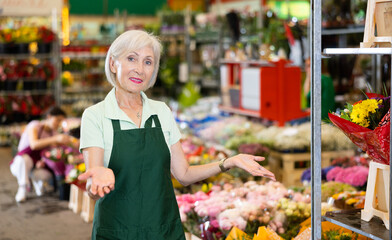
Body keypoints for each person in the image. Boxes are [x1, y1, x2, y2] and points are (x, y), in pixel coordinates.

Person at [78, 30, 275, 240]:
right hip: (117, 232)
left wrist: (229, 162)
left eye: (148, 62)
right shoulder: (95, 116)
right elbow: (92, 184)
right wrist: (97, 179)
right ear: (113, 64)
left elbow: (183, 174)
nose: (139, 69)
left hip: (164, 230)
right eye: (131, 58)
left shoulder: (160, 111)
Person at [10, 106, 73, 202]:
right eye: (58, 120)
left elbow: (51, 153)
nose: (59, 124)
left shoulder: (53, 133)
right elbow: (34, 145)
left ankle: (35, 181)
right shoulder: (35, 125)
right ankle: (22, 188)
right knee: (24, 160)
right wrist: (55, 139)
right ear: (49, 116)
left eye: (61, 122)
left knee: (46, 175)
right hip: (20, 163)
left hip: (35, 166)